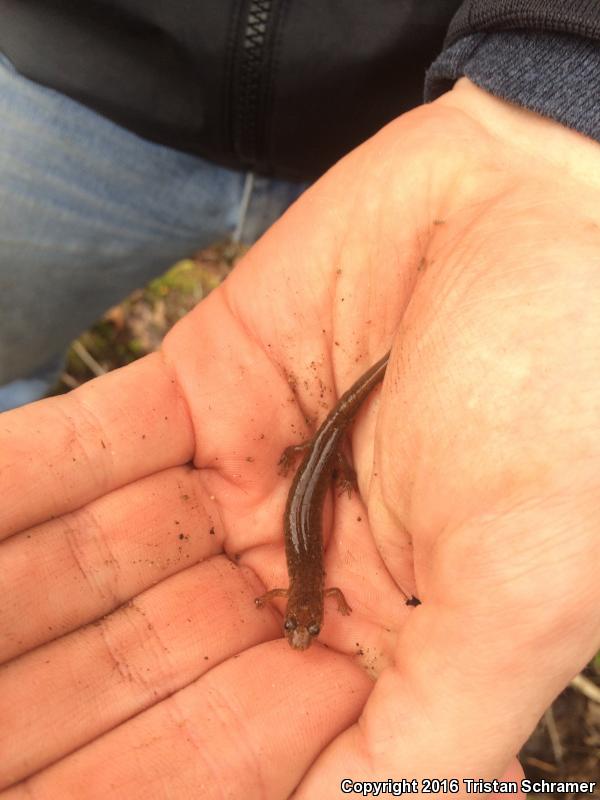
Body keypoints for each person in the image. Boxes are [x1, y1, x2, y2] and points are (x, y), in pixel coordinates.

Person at [1, 3, 599, 797]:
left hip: (377, 120)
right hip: (79, 76)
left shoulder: (307, 583)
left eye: (301, 623)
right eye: (303, 623)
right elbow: (335, 585)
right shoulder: (314, 583)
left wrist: (563, 79)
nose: (303, 625)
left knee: (328, 448)